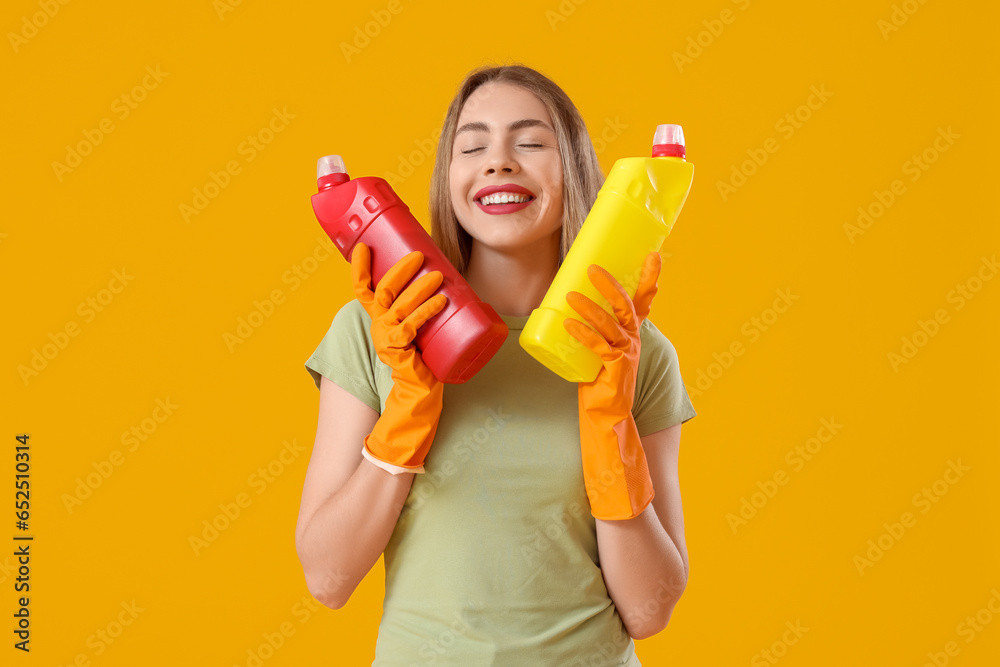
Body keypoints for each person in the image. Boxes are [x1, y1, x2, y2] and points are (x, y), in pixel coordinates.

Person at [295, 63, 697, 666]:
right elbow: (328, 579)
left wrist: (609, 420)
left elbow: (648, 610)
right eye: (473, 145)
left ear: (578, 174)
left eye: (531, 143)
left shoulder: (631, 349)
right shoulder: (374, 335)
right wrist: (405, 412)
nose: (499, 161)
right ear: (449, 178)